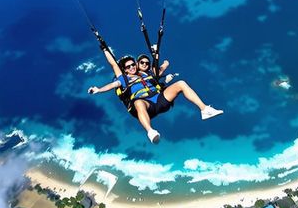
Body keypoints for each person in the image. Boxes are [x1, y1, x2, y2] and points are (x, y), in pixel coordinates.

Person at [87, 49, 223, 144]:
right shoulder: (123, 79)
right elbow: (113, 68)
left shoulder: (146, 73)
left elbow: (160, 68)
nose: (131, 67)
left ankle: (204, 109)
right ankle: (150, 131)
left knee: (181, 83)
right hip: (146, 105)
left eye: (133, 64)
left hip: (159, 99)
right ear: (125, 69)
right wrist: (99, 89)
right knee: (138, 102)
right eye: (128, 67)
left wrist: (164, 61)